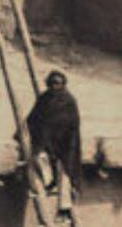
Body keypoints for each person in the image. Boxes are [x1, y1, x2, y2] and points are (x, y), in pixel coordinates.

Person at [25, 70, 82, 213]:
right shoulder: (44, 99)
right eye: (52, 84)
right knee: (38, 157)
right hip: (48, 142)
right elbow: (32, 118)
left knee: (65, 172)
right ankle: (49, 181)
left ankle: (64, 208)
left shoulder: (69, 101)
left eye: (58, 84)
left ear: (63, 84)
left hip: (66, 143)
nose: (55, 87)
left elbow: (72, 126)